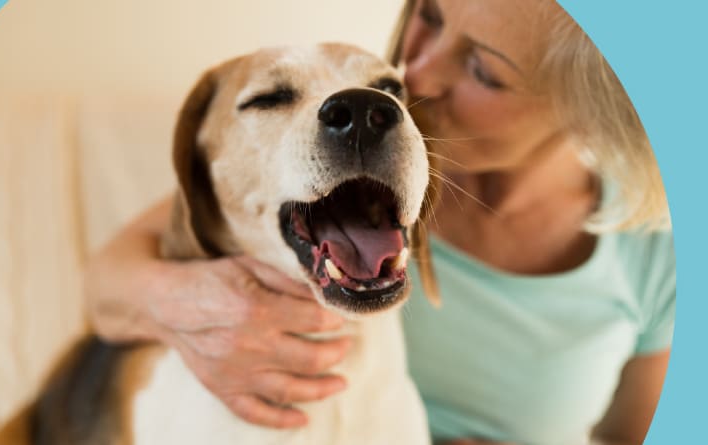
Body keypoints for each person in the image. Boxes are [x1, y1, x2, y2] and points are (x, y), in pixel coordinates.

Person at [84, 0, 674, 444]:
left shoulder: (653, 255)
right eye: (430, 15)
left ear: (591, 110)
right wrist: (194, 308)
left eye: (484, 70)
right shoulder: (332, 165)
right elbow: (108, 287)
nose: (417, 74)